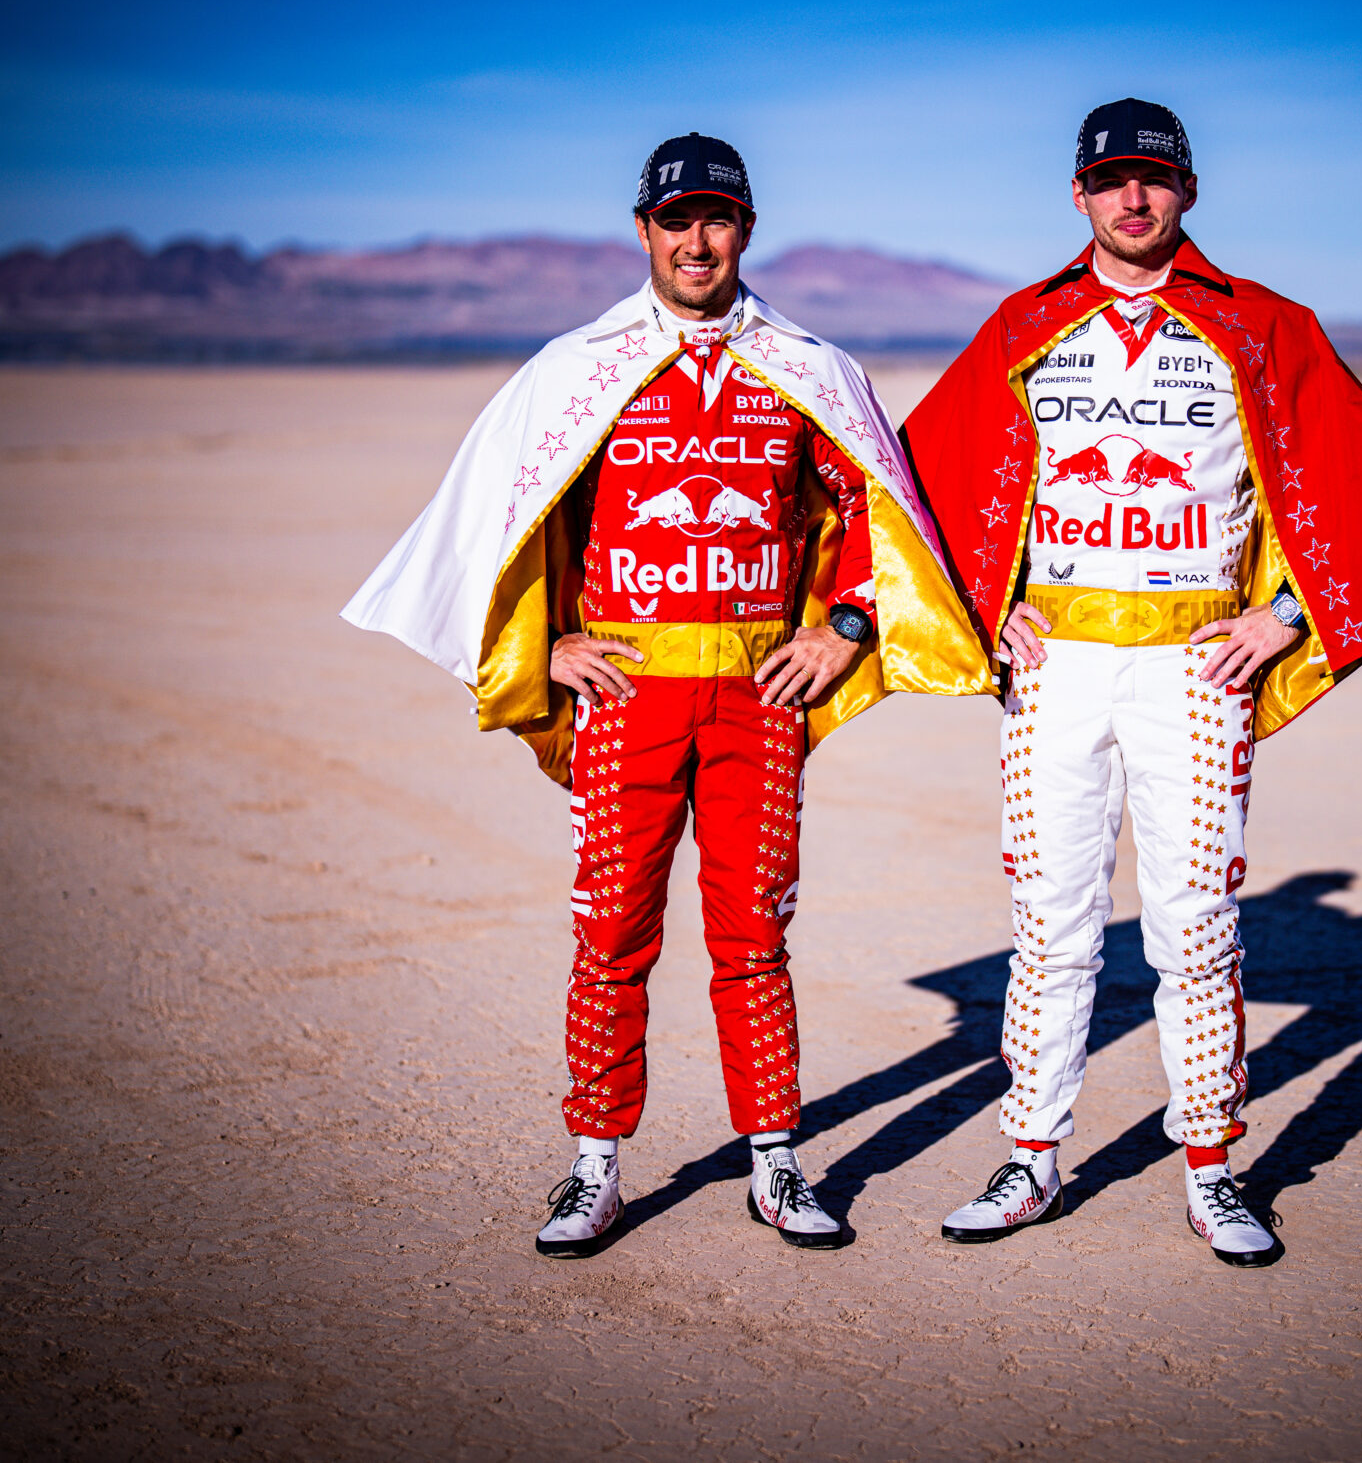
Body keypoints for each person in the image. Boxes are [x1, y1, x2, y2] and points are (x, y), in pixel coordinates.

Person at [343, 133, 986, 1258]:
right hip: (627, 700)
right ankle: (594, 1164)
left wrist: (844, 626)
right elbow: (506, 517)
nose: (697, 241)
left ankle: (775, 1161)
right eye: (676, 220)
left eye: (717, 218)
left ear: (747, 228)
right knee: (612, 930)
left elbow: (880, 509)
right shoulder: (578, 369)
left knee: (754, 931)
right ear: (643, 230)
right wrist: (538, 645)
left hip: (757, 699)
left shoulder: (807, 368)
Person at [901, 99, 1362, 1266]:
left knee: (1197, 929)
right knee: (1049, 927)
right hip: (1055, 672)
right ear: (1078, 195)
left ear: (1187, 191)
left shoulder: (1263, 326)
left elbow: (1360, 479)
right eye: (1111, 180)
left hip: (1194, 671)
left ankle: (1212, 1169)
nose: (1132, 199)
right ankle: (1030, 1158)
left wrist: (1285, 616)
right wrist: (982, 605)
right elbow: (924, 477)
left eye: (1154, 179)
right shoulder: (1024, 324)